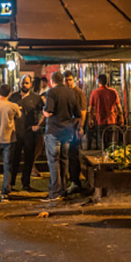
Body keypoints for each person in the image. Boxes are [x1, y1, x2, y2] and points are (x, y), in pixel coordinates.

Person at [41, 72, 80, 202]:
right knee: (64, 160)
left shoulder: (51, 93)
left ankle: (55, 192)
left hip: (54, 132)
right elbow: (77, 115)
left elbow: (49, 112)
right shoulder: (71, 93)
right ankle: (63, 190)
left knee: (53, 161)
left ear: (52, 81)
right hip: (67, 132)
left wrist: (44, 111)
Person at [8, 75, 45, 191]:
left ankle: (26, 184)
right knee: (14, 159)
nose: (24, 85)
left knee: (29, 159)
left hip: (29, 134)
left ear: (31, 84)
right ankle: (11, 183)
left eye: (27, 83)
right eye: (23, 82)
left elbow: (44, 113)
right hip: (15, 133)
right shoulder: (13, 97)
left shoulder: (36, 98)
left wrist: (38, 126)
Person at [63, 71, 88, 194]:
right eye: (66, 80)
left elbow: (83, 111)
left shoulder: (78, 93)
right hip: (66, 127)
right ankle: (69, 179)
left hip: (74, 127)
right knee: (66, 154)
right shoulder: (66, 93)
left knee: (73, 154)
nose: (68, 82)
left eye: (70, 80)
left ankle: (75, 181)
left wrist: (81, 127)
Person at [88, 74, 123, 150]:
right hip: (112, 119)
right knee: (111, 139)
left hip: (100, 120)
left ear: (98, 82)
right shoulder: (113, 92)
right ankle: (110, 153)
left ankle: (104, 154)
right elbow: (118, 107)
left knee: (102, 139)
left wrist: (90, 119)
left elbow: (91, 108)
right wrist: (121, 118)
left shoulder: (95, 93)